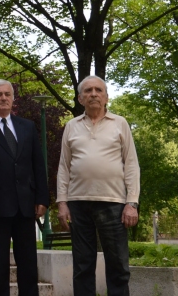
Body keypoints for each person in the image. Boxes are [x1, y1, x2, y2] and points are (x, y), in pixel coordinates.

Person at [57, 75, 140, 296]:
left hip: (113, 203)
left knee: (118, 266)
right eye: (88, 91)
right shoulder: (71, 126)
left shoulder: (120, 123)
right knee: (82, 266)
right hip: (78, 204)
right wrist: (62, 202)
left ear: (106, 97)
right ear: (80, 98)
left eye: (98, 90)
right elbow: (64, 167)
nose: (93, 94)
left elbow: (131, 164)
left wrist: (132, 202)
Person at [0, 80, 49, 296]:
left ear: (13, 98)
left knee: (28, 264)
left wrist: (42, 198)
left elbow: (37, 164)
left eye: (7, 94)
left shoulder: (27, 126)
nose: (3, 98)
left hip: (26, 206)